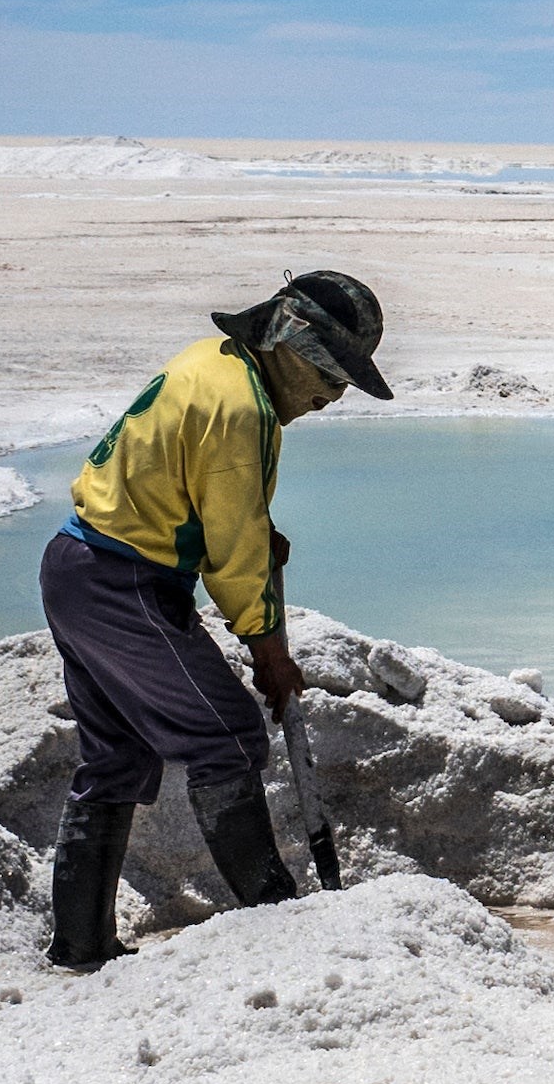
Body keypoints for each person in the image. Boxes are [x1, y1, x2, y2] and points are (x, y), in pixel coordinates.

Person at [37, 270, 392, 972]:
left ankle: (81, 946)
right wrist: (269, 651)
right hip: (125, 581)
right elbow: (231, 555)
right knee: (225, 734)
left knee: (117, 758)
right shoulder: (245, 412)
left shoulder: (214, 362)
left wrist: (256, 530)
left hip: (78, 564)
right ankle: (278, 926)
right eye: (328, 372)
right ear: (289, 345)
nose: (332, 395)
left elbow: (205, 497)